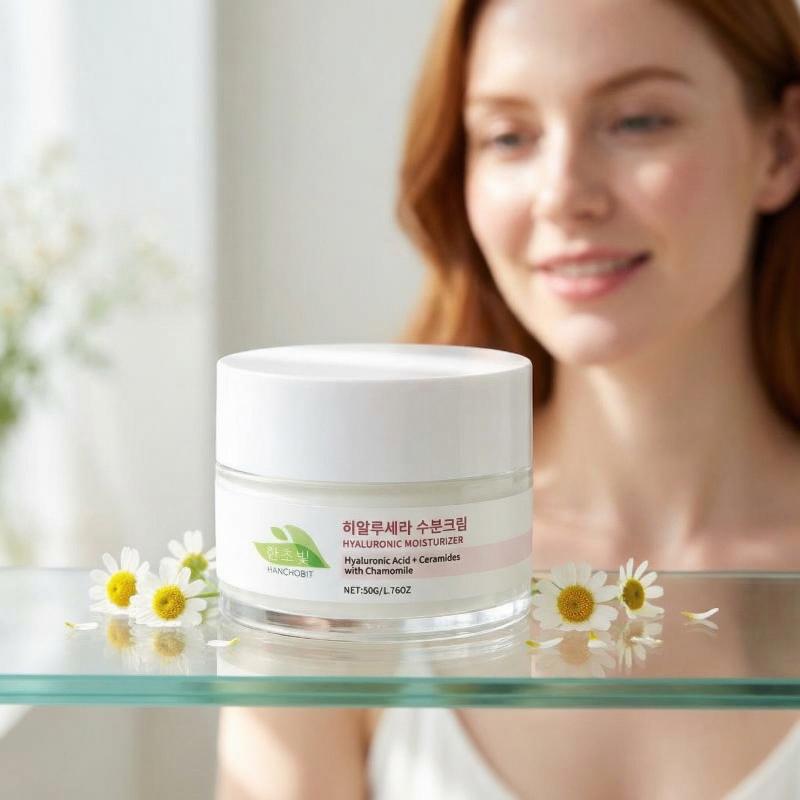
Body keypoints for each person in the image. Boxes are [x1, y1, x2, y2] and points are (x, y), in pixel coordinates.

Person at [215, 1, 800, 797]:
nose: (562, 194)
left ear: (781, 147)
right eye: (508, 137)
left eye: (637, 121)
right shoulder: (356, 560)